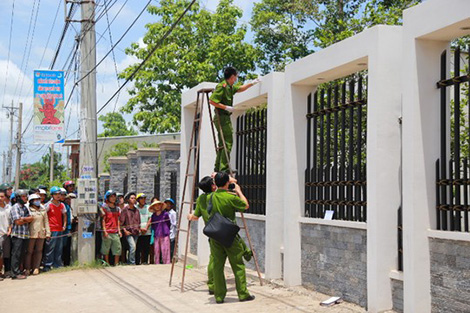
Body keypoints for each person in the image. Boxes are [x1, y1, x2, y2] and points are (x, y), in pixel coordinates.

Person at [205, 172, 255, 303]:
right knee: (238, 265)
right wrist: (238, 190)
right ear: (227, 183)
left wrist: (220, 177)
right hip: (229, 236)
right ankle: (243, 294)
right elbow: (245, 205)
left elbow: (218, 181)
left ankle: (219, 296)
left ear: (214, 184)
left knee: (217, 266)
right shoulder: (231, 197)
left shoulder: (211, 196)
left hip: (215, 235)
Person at [209, 67, 261, 172]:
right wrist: (226, 107)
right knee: (227, 142)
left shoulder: (229, 87)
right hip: (222, 117)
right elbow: (212, 101)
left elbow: (240, 89)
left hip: (223, 117)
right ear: (232, 77)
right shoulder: (222, 86)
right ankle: (224, 168)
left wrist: (253, 83)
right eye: (236, 77)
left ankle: (218, 166)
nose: (236, 79)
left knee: (222, 143)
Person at [187, 176, 217, 294]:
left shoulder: (200, 199)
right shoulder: (217, 196)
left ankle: (212, 284)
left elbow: (195, 217)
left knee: (214, 259)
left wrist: (189, 216)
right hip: (223, 230)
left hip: (211, 232)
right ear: (212, 186)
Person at [9, 190, 33, 280]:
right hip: (17, 235)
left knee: (22, 254)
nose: (25, 198)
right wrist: (25, 219)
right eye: (23, 196)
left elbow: (31, 218)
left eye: (26, 196)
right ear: (18, 198)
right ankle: (14, 273)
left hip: (25, 235)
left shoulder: (25, 208)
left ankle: (19, 270)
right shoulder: (15, 207)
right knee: (16, 254)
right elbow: (18, 222)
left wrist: (23, 219)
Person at [24, 194, 50, 275]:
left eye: (38, 199)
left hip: (41, 233)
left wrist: (48, 233)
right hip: (31, 233)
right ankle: (28, 268)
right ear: (31, 201)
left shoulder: (43, 210)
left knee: (39, 251)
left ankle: (36, 267)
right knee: (29, 251)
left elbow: (46, 222)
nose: (38, 201)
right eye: (36, 200)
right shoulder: (28, 210)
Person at [44, 186, 67, 271]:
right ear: (52, 195)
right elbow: (44, 216)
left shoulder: (62, 205)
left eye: (59, 194)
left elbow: (64, 215)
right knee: (50, 248)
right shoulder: (48, 205)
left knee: (59, 248)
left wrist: (64, 225)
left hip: (59, 229)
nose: (58, 196)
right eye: (56, 194)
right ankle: (47, 265)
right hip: (51, 229)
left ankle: (57, 264)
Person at [100, 190, 121, 266]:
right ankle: (107, 263)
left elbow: (118, 220)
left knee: (118, 248)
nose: (113, 198)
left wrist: (119, 230)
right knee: (106, 249)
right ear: (107, 198)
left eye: (114, 196)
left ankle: (116, 263)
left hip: (115, 232)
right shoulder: (104, 207)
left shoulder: (117, 208)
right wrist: (104, 231)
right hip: (108, 231)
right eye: (111, 196)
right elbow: (103, 220)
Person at [147, 200, 170, 264]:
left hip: (164, 233)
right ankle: (157, 263)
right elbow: (152, 224)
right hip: (157, 234)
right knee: (156, 250)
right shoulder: (153, 216)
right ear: (153, 207)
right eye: (155, 205)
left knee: (165, 250)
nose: (157, 207)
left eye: (158, 205)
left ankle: (166, 263)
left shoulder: (165, 214)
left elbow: (168, 223)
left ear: (161, 206)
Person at [119, 192, 140, 265]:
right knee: (132, 246)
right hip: (128, 232)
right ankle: (132, 262)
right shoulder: (125, 210)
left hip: (136, 232)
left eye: (134, 198)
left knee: (133, 248)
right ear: (128, 200)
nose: (133, 200)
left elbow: (139, 221)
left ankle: (129, 261)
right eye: (132, 198)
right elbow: (121, 223)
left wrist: (139, 229)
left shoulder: (137, 210)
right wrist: (125, 231)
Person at [135, 193, 151, 265]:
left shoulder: (148, 207)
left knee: (146, 247)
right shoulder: (135, 208)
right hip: (138, 231)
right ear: (138, 200)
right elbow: (134, 220)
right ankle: (137, 262)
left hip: (147, 231)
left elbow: (150, 218)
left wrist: (146, 228)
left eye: (144, 198)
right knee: (138, 247)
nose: (143, 200)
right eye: (141, 198)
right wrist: (140, 229)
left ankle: (145, 261)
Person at [0, 189, 11, 280]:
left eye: (2, 196)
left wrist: (10, 229)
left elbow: (10, 221)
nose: (0, 198)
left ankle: (7, 271)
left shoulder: (8, 208)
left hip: (7, 234)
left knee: (7, 254)